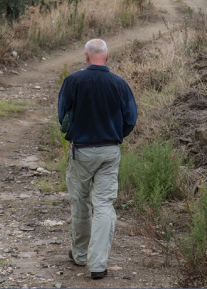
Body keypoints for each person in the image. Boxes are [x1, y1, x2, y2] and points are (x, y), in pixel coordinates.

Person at [58, 38, 137, 280]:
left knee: (80, 202)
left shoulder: (73, 81)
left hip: (80, 150)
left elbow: (62, 116)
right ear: (107, 56)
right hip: (109, 151)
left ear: (85, 56)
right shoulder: (120, 84)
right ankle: (98, 264)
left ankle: (80, 255)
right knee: (103, 205)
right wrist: (115, 135)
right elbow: (130, 119)